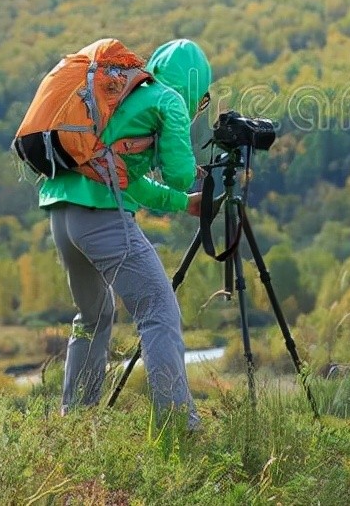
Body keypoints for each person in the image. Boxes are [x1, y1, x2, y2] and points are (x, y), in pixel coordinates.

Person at [36, 38, 212, 431]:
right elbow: (181, 173)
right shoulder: (168, 101)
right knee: (158, 312)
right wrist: (189, 174)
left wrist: (186, 205)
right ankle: (178, 426)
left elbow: (128, 182)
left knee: (93, 316)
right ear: (196, 87)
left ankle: (75, 422)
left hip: (63, 215)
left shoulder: (125, 96)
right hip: (100, 218)